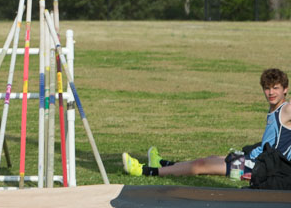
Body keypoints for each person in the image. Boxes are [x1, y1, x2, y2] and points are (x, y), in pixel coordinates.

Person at [123, 68, 291, 178]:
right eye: (267, 88)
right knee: (210, 158)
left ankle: (146, 171)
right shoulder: (273, 110)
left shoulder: (286, 109)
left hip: (260, 167)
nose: (271, 92)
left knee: (200, 165)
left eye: (276, 88)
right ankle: (164, 164)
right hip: (253, 159)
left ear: (285, 89)